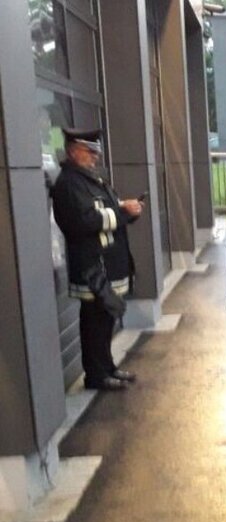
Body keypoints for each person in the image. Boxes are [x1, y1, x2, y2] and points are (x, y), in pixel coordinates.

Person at [50, 127, 142, 391]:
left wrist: (128, 210)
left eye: (96, 152)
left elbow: (108, 210)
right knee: (95, 324)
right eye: (90, 151)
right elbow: (84, 221)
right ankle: (96, 375)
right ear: (73, 151)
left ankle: (107, 367)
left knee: (105, 321)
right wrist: (123, 212)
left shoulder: (90, 180)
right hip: (92, 268)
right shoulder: (69, 184)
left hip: (105, 266)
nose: (95, 157)